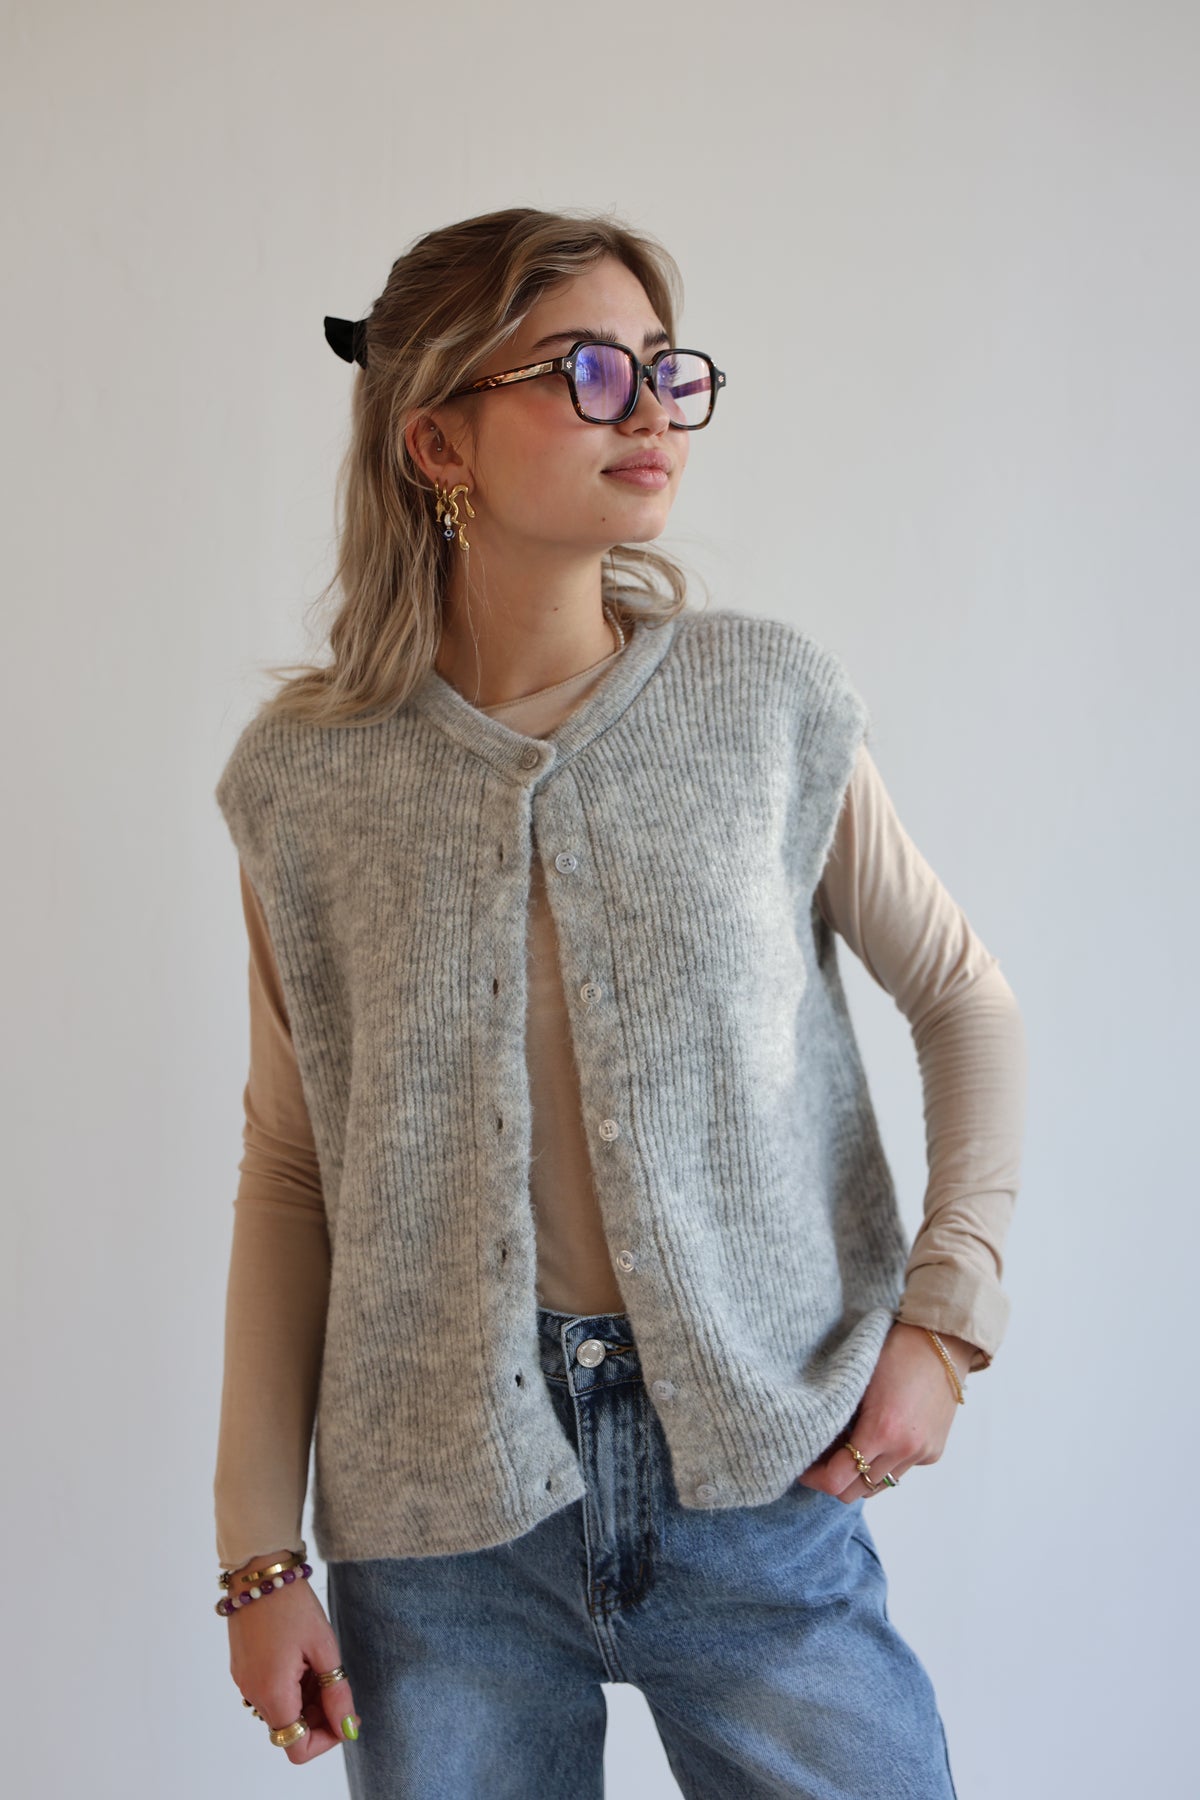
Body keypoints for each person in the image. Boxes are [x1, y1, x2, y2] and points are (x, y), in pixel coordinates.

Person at [211, 206, 1026, 1798]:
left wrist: (946, 1321)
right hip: (440, 1535)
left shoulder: (762, 704)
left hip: (761, 1473)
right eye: (587, 370)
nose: (649, 407)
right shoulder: (304, 786)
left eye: (665, 366)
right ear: (436, 440)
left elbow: (964, 998)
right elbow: (292, 1167)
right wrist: (259, 1558)